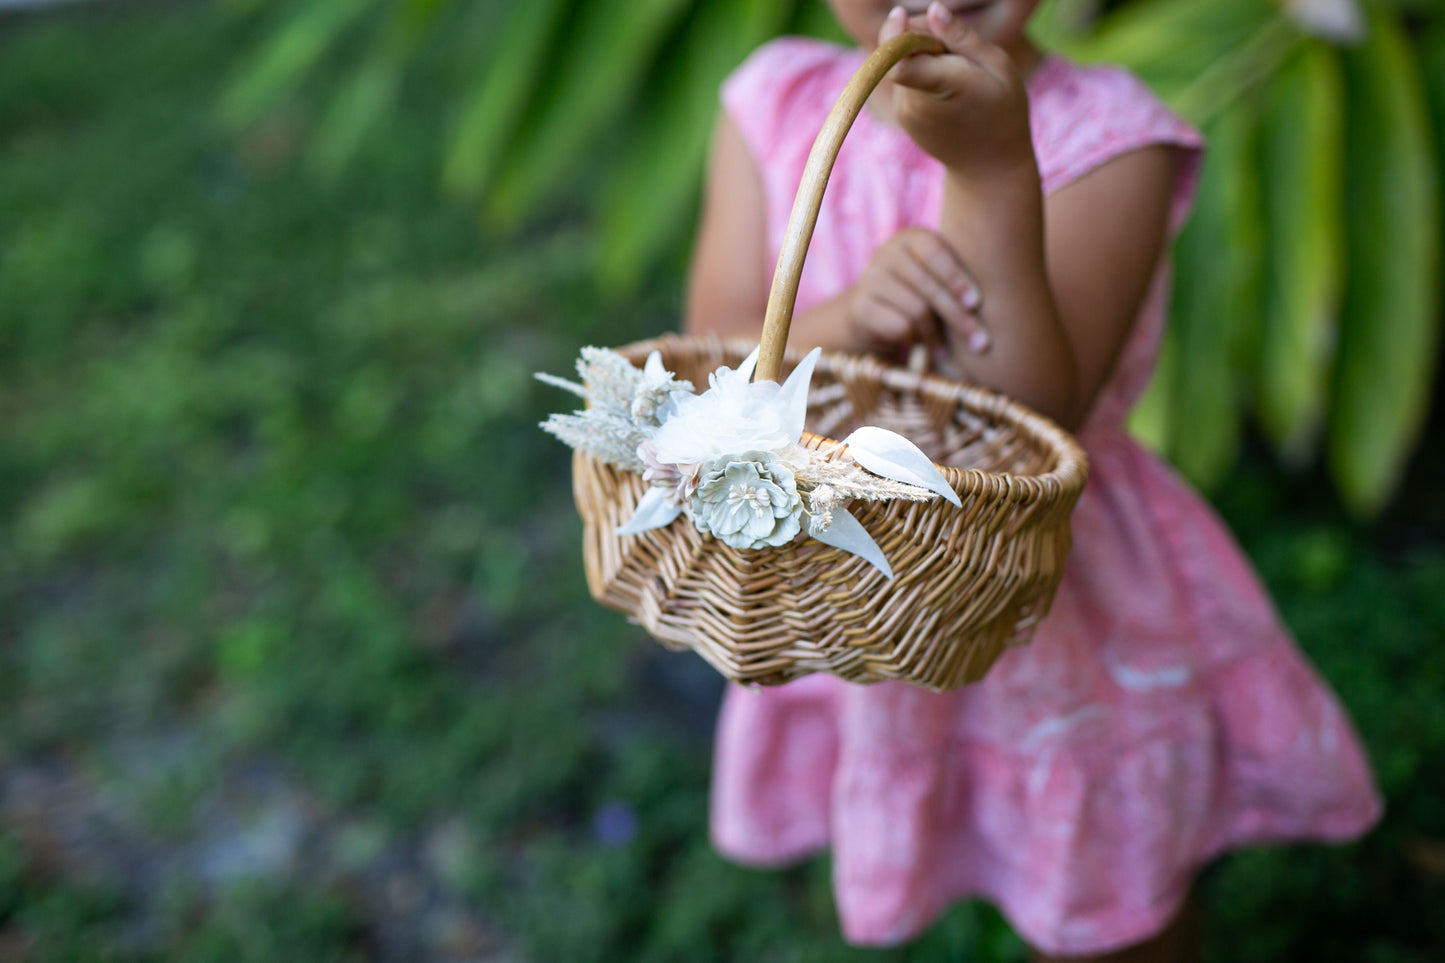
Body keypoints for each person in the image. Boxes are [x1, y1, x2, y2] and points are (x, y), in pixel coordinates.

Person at [683, 2, 1383, 961]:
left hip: (1049, 606)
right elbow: (706, 354)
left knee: (1107, 897)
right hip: (851, 583)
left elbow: (1024, 430)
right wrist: (840, 319)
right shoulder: (775, 102)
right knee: (950, 805)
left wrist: (989, 170)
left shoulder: (1106, 141)